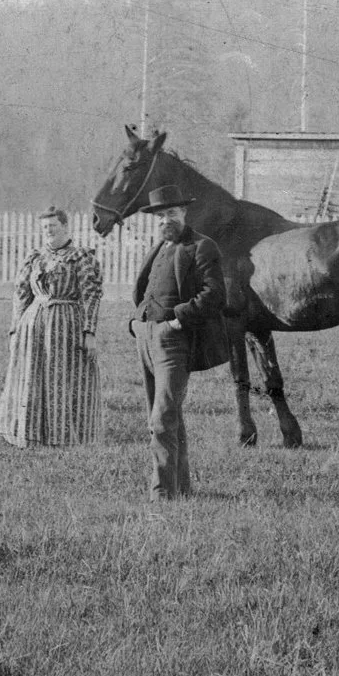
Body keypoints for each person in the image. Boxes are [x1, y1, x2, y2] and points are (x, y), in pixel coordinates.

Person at [129, 161, 229, 500]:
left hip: (173, 341)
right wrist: (136, 322)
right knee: (167, 417)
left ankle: (162, 495)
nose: (165, 220)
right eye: (160, 216)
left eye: (171, 213)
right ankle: (181, 488)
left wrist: (177, 320)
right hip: (146, 338)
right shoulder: (159, 248)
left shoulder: (201, 246)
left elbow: (215, 294)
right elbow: (145, 290)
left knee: (162, 419)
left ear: (184, 213)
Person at [0, 206, 102, 448]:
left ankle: (62, 436)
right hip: (33, 326)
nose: (48, 230)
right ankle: (29, 433)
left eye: (53, 226)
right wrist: (15, 330)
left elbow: (92, 295)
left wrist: (89, 332)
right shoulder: (35, 257)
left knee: (62, 378)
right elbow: (21, 294)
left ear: (65, 226)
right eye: (44, 227)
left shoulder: (81, 257)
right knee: (30, 377)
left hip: (66, 325)